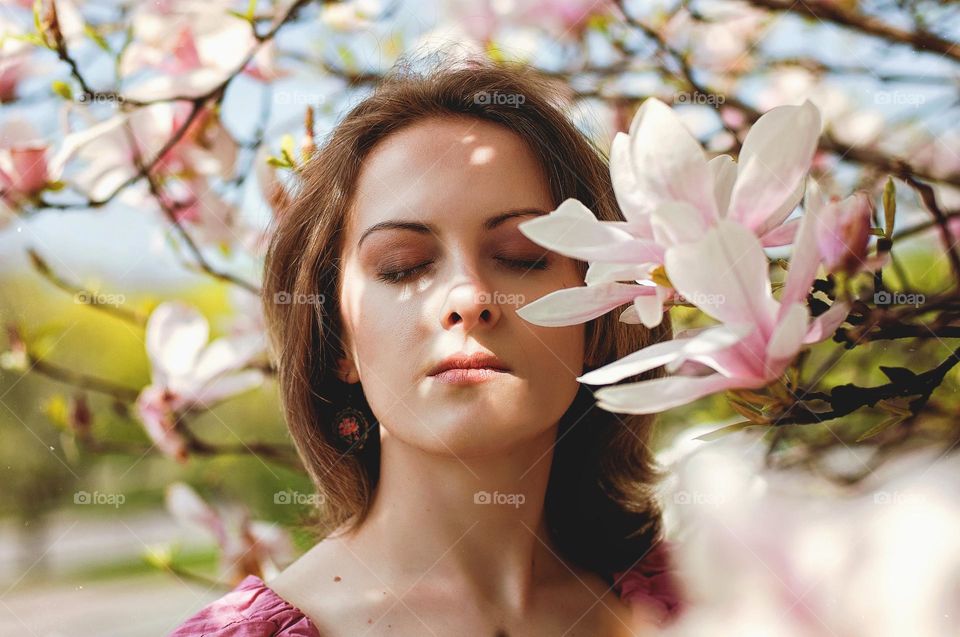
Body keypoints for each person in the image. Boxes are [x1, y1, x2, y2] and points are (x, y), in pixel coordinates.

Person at [167, 54, 683, 637]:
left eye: (521, 256)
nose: (468, 296)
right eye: (402, 267)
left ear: (599, 316)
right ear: (339, 341)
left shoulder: (716, 601)